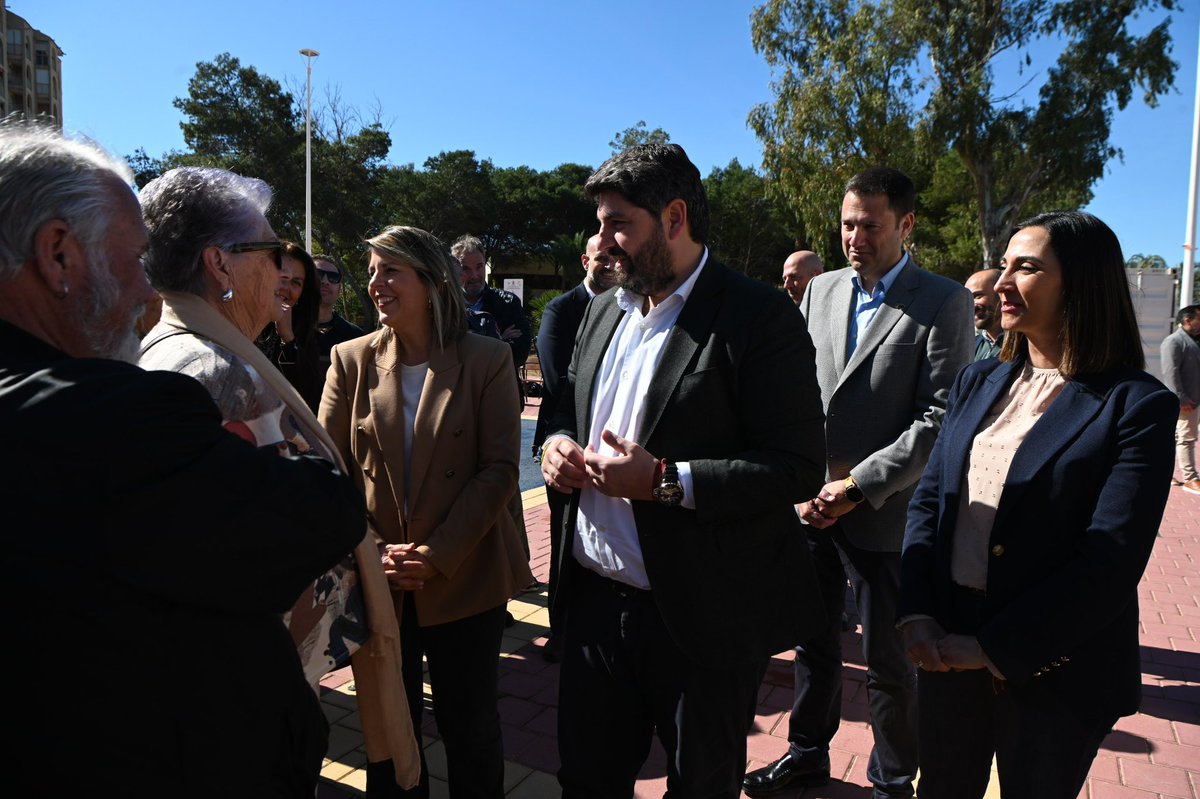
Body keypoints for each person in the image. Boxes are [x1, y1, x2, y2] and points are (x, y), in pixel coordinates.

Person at [0, 126, 365, 794]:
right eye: (135, 261)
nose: (148, 290)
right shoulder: (160, 396)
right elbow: (314, 517)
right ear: (57, 254)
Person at [540, 143, 827, 798]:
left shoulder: (757, 316)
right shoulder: (602, 309)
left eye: (619, 223)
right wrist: (556, 445)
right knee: (585, 780)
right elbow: (561, 408)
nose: (602, 241)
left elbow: (796, 467)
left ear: (673, 217)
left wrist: (664, 480)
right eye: (601, 223)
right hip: (592, 607)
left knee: (701, 785)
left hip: (701, 622)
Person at [136, 166, 420, 790]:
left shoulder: (175, 346)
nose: (293, 276)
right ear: (220, 265)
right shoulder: (219, 375)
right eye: (268, 251)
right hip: (248, 694)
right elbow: (271, 545)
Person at [900, 211, 1178, 798]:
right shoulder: (980, 381)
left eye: (1024, 267)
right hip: (948, 647)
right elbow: (931, 500)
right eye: (1004, 265)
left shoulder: (1137, 407)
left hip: (1055, 666)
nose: (1001, 282)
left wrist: (994, 649)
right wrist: (917, 610)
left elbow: (1110, 561)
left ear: (1080, 283)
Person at [745, 167, 973, 799]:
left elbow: (941, 419)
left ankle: (893, 779)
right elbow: (800, 392)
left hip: (884, 511)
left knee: (889, 664)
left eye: (869, 225)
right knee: (812, 644)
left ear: (905, 225)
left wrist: (857, 487)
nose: (854, 236)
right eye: (847, 223)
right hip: (810, 508)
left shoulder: (942, 300)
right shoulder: (820, 292)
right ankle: (808, 753)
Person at [321, 225, 533, 799]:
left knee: (472, 729)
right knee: (390, 733)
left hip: (464, 575)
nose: (375, 284)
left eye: (390, 271)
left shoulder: (486, 359)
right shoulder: (350, 359)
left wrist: (437, 555)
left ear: (433, 281)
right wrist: (372, 549)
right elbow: (329, 471)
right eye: (371, 271)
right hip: (380, 577)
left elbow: (498, 471)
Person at [532, 233, 617, 661]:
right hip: (563, 446)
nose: (609, 264)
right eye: (601, 258)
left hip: (611, 455)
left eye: (615, 257)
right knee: (563, 540)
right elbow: (556, 379)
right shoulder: (560, 309)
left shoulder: (626, 306)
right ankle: (560, 630)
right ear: (585, 260)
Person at [256, 241, 324, 410]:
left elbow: (309, 400)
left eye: (296, 282)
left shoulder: (308, 339)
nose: (285, 287)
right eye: (280, 276)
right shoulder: (236, 322)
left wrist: (288, 340)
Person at [451, 234, 533, 369]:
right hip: (459, 389)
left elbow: (519, 355)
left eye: (479, 267)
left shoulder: (508, 303)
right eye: (465, 269)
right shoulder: (445, 306)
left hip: (500, 387)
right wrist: (499, 341)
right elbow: (445, 356)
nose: (475, 276)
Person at [1162, 304, 1200, 494]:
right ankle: (1190, 479)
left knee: (1175, 437)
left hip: (1192, 399)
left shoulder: (1191, 340)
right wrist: (1181, 399)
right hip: (1185, 402)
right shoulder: (1174, 341)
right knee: (1186, 438)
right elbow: (1171, 373)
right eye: (1199, 319)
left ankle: (1165, 473)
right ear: (1187, 321)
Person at [314, 253, 366, 367]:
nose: (325, 281)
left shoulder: (356, 337)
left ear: (339, 290)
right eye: (318, 274)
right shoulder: (282, 329)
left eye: (333, 277)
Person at [965, 268, 1004, 361]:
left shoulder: (1026, 346)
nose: (971, 305)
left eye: (978, 296)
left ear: (1002, 295)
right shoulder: (970, 347)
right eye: (968, 299)